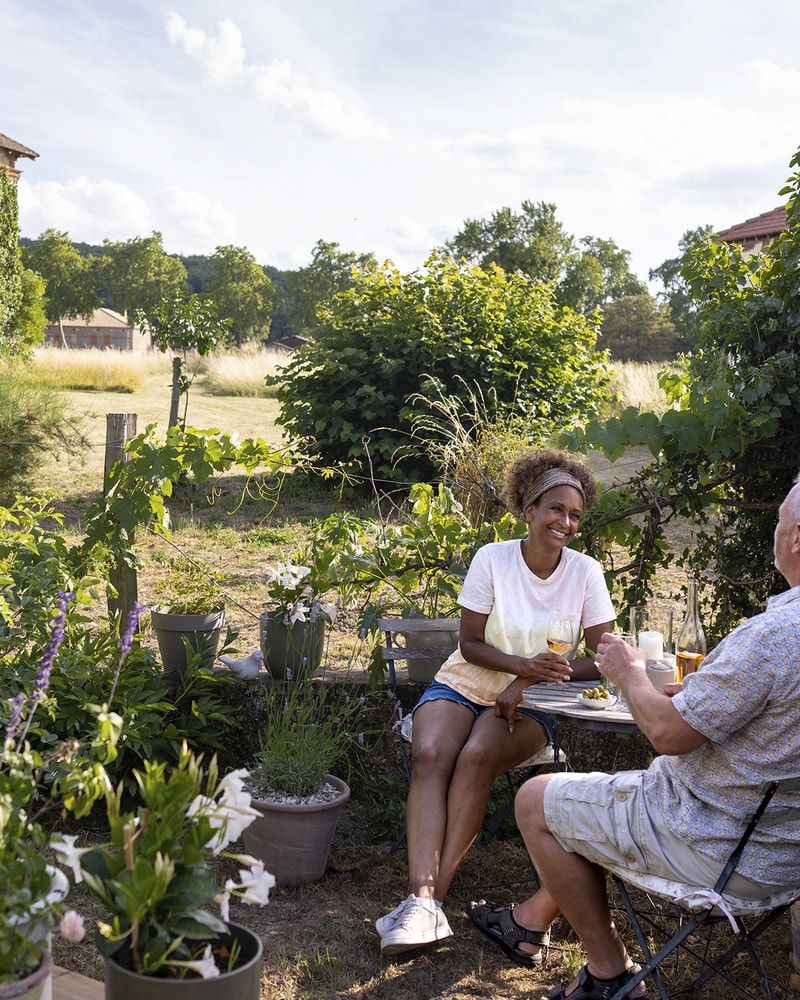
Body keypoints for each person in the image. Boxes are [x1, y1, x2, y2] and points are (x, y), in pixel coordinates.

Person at [475, 475, 800, 1000]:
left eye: (780, 523)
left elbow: (668, 737)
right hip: (787, 857)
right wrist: (697, 690)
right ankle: (529, 921)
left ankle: (607, 973)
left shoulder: (772, 637)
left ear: (797, 538)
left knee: (538, 798)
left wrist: (628, 672)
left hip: (712, 847)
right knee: (599, 795)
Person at [377, 448, 615, 956]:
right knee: (430, 755)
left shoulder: (585, 573)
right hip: (465, 681)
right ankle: (424, 903)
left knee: (478, 756)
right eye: (555, 509)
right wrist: (521, 667)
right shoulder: (494, 559)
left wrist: (532, 680)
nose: (566, 522)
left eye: (575, 515)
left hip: (537, 700)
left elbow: (607, 656)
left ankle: (425, 903)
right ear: (529, 510)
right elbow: (471, 644)